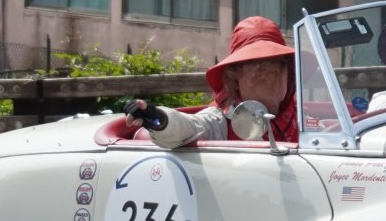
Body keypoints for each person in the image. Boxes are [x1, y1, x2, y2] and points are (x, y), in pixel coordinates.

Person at [125, 15, 298, 147]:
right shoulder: (220, 122)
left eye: (278, 63)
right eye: (257, 65)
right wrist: (158, 118)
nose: (269, 73)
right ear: (234, 75)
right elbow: (189, 127)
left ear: (289, 71)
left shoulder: (303, 118)